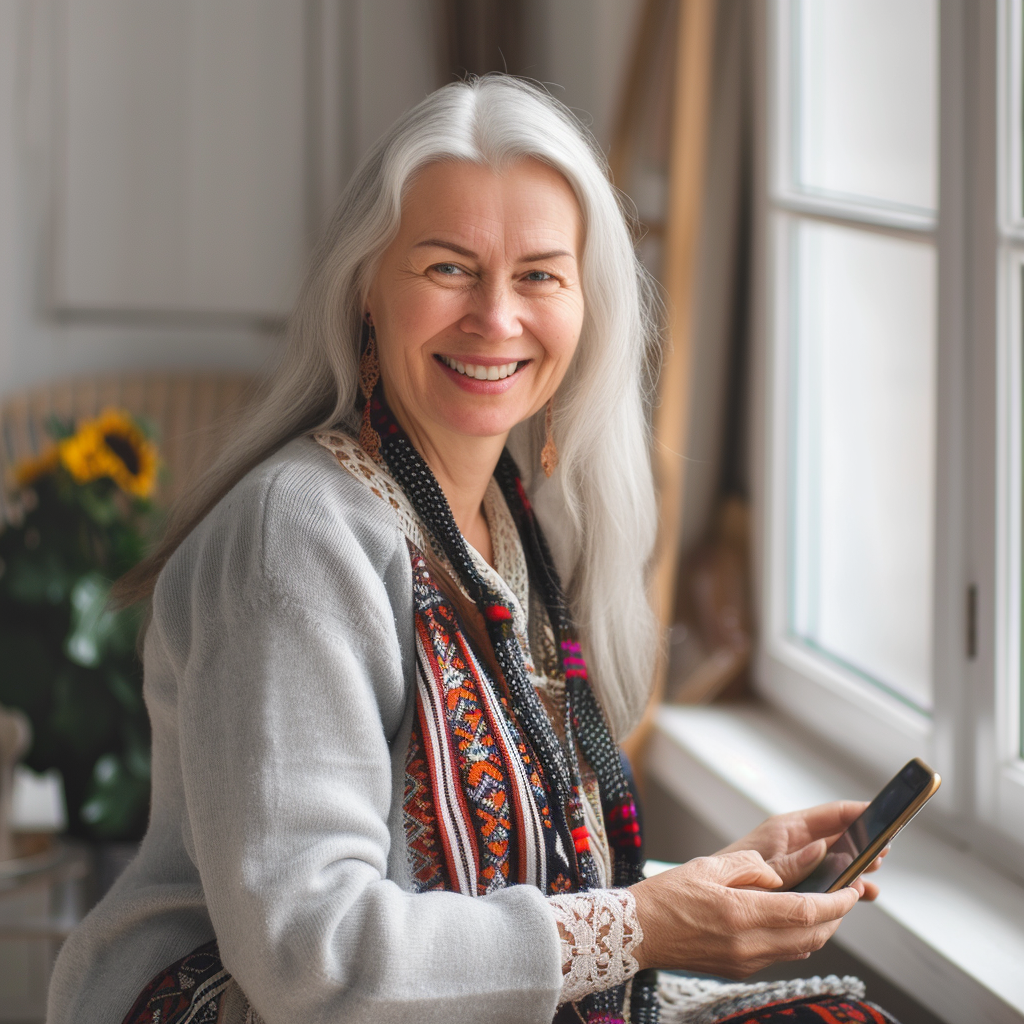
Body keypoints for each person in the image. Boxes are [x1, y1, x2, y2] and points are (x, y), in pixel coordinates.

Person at [46, 76, 896, 1024]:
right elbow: (311, 955)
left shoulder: (517, 518)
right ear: (368, 286)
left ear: (586, 305)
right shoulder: (294, 533)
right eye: (448, 267)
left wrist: (714, 887)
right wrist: (642, 925)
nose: (496, 319)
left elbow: (495, 871)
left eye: (540, 274)